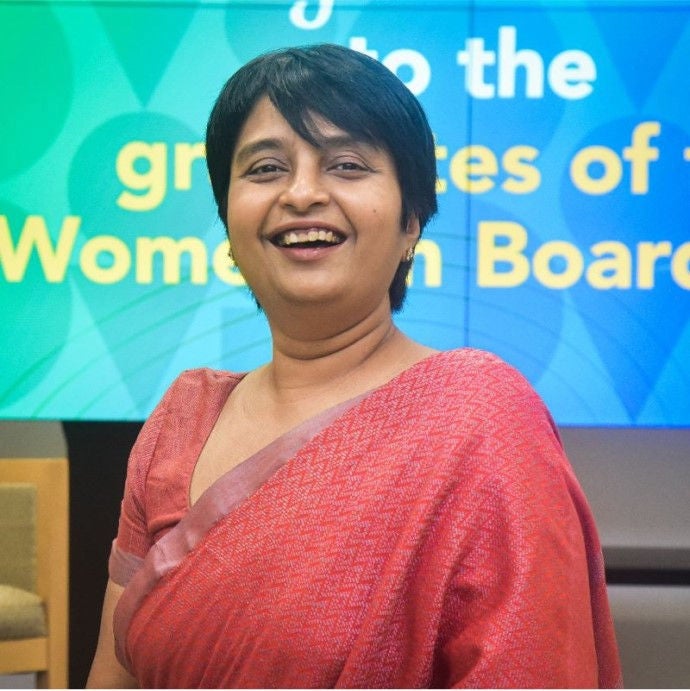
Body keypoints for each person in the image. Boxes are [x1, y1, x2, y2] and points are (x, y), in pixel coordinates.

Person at [87, 43, 622, 688]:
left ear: (411, 220)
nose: (302, 194)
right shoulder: (182, 422)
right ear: (228, 222)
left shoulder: (480, 421)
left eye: (346, 165)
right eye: (266, 168)